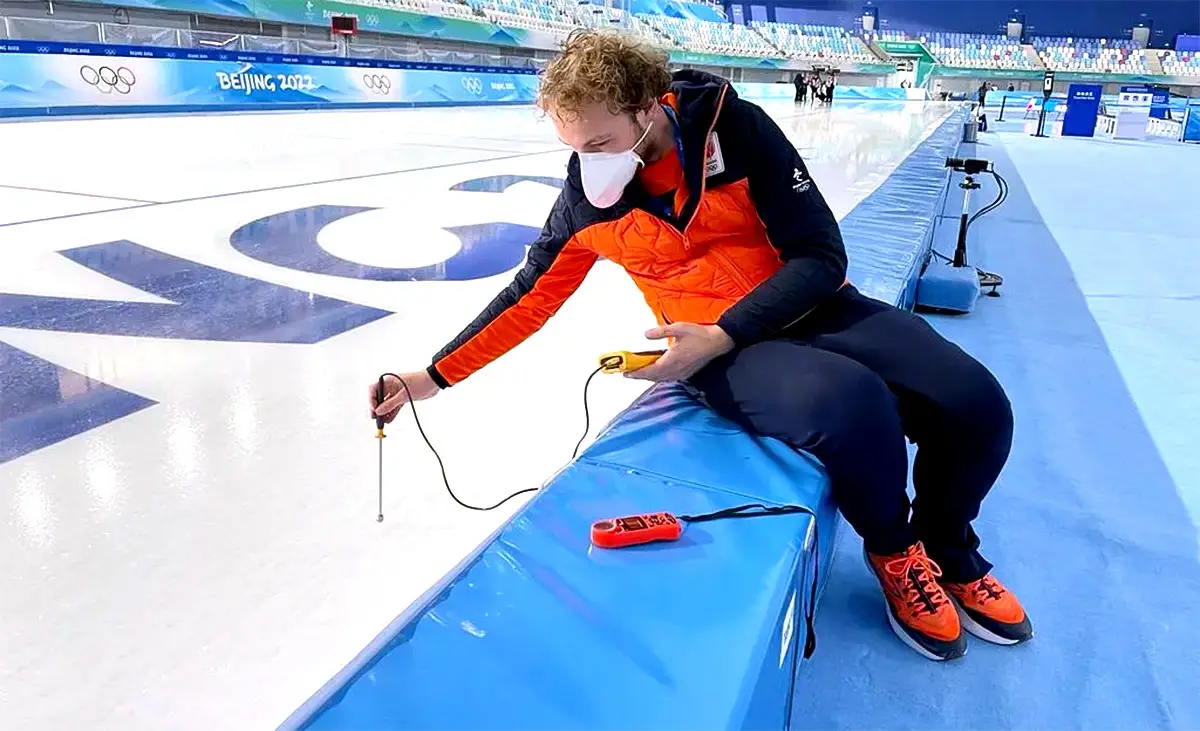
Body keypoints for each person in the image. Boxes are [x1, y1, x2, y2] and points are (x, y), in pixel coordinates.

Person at [369, 29, 1032, 661]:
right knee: (853, 403)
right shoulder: (585, 203)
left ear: (649, 107)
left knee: (975, 402)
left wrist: (731, 325)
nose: (588, 161)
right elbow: (529, 297)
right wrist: (428, 377)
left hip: (802, 306)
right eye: (574, 147)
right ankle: (896, 551)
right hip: (707, 349)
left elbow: (822, 256)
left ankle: (949, 544)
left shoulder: (735, 131)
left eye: (601, 141)